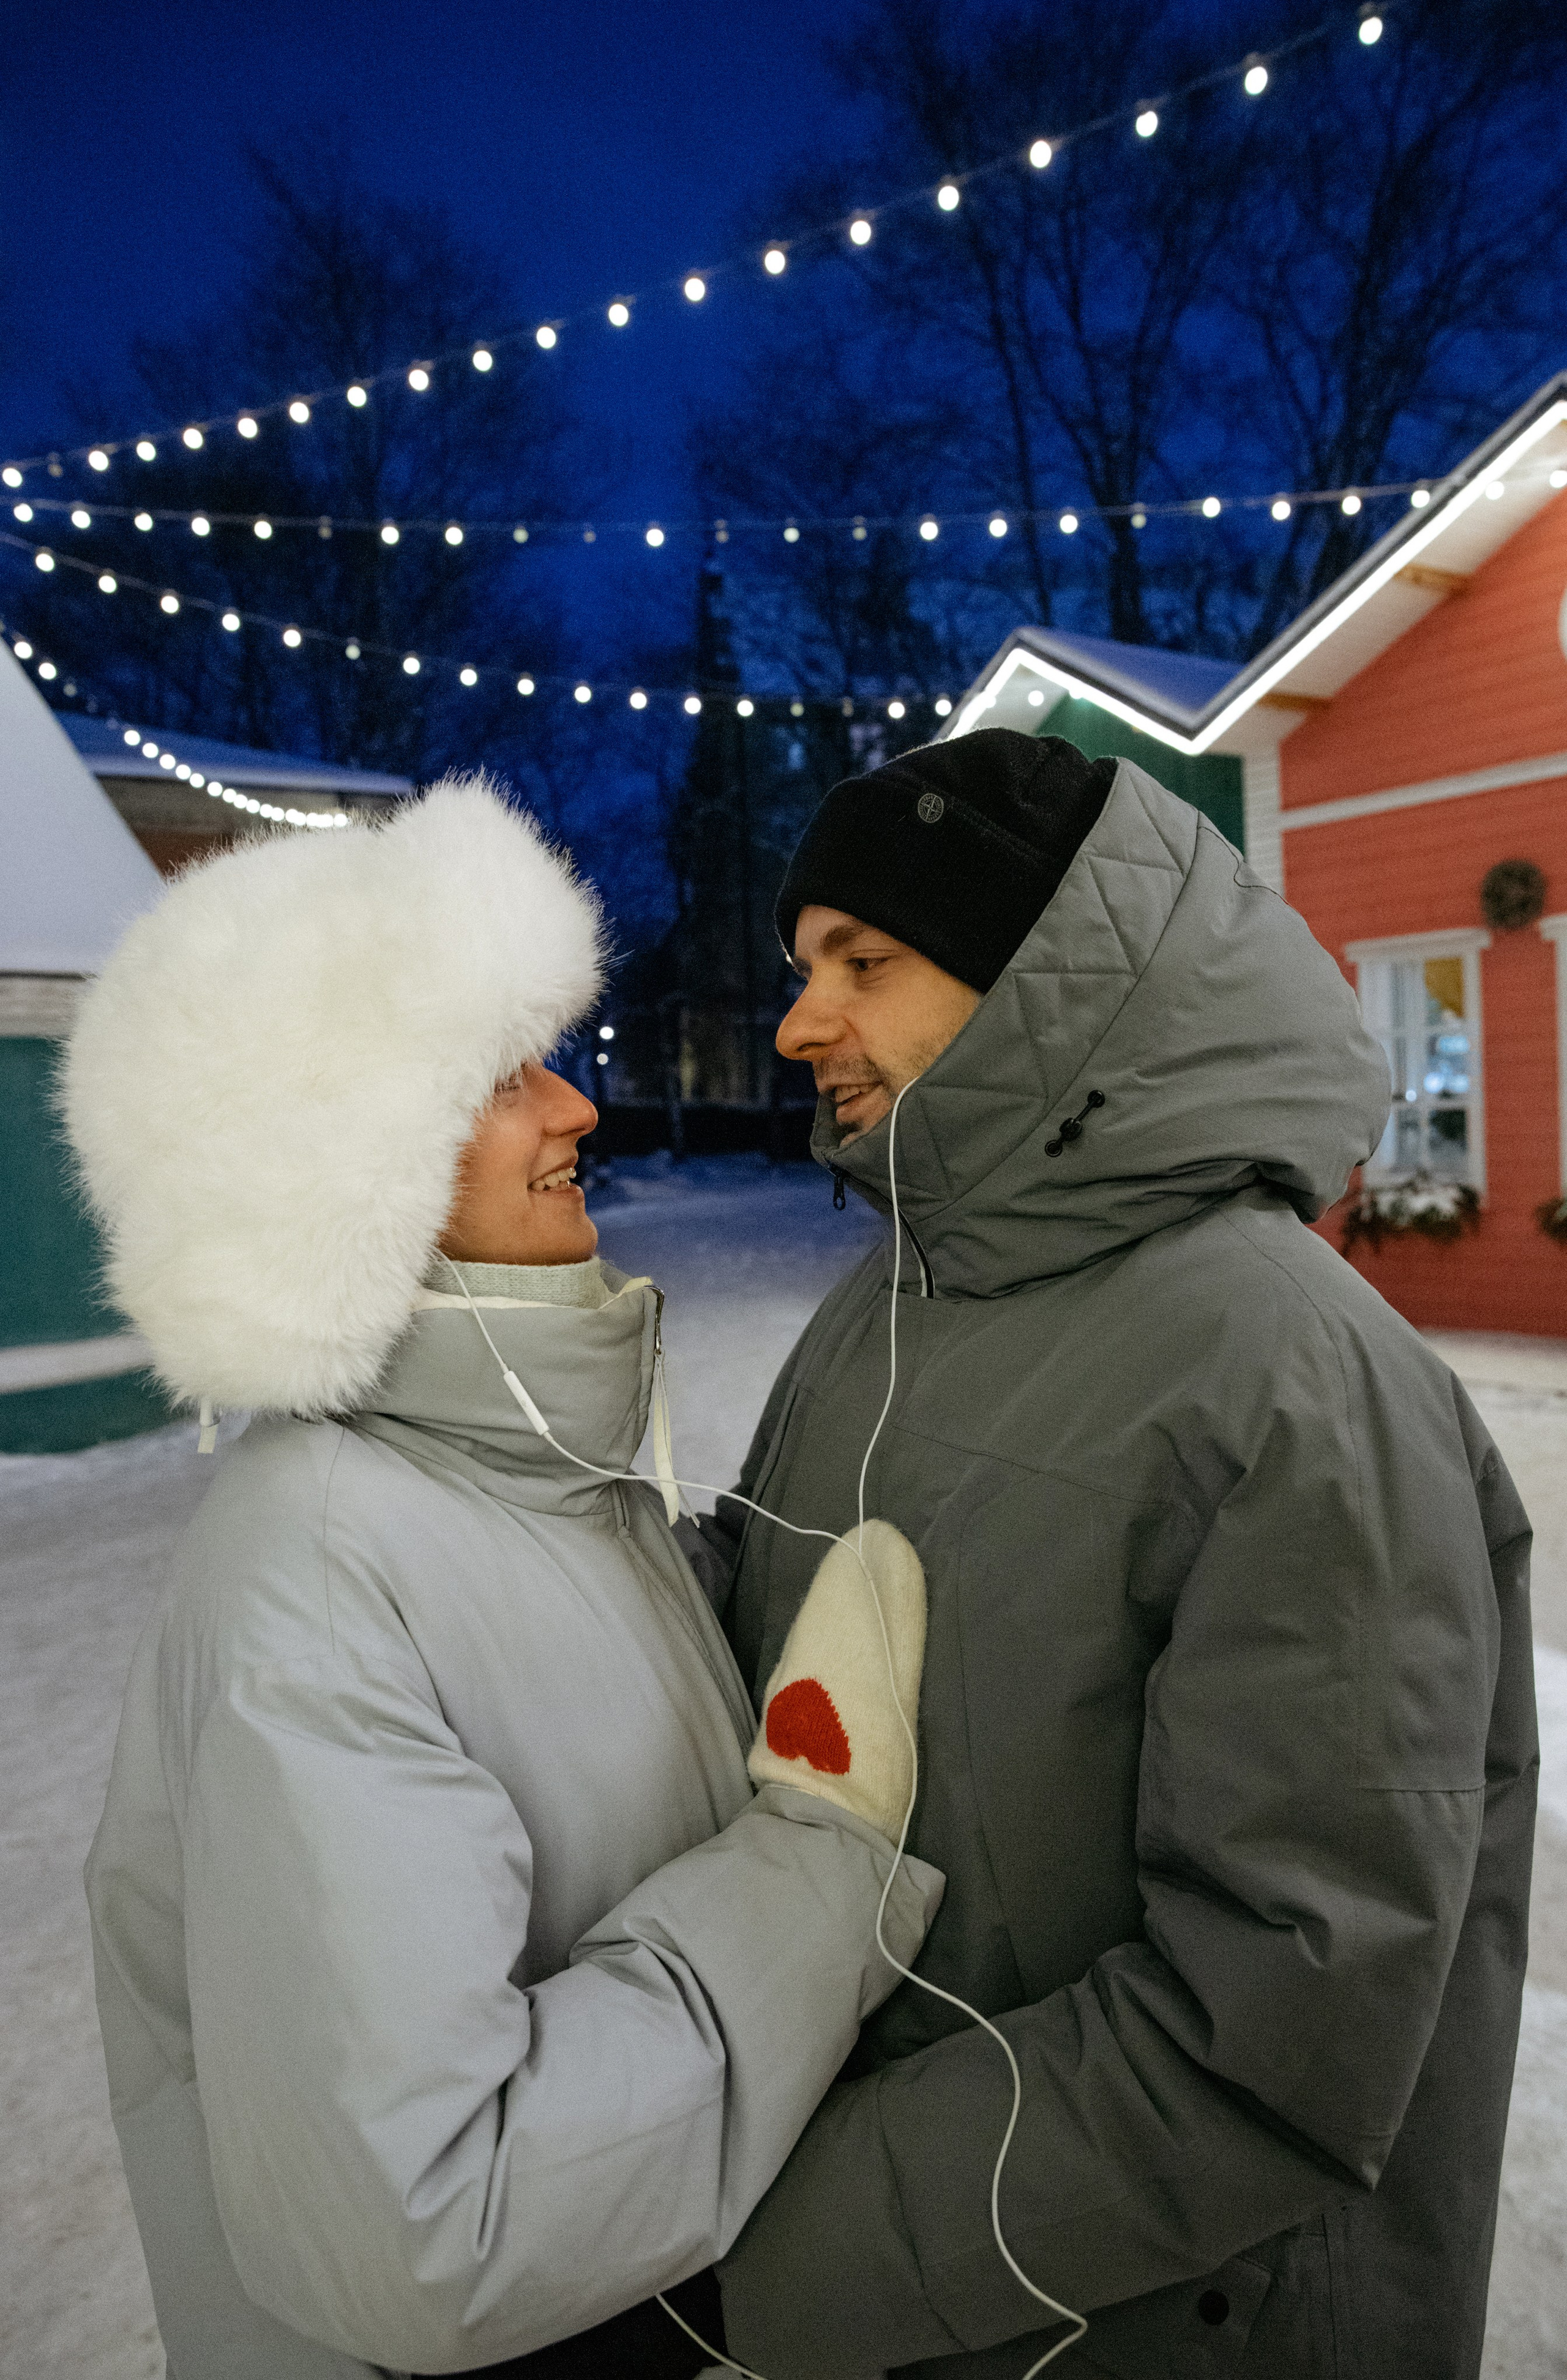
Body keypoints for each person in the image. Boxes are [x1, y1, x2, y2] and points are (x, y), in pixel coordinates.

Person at [67, 779, 941, 2380]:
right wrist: (821, 1864)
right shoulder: (318, 1576)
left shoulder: (522, 1477)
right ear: (337, 1171)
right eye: (498, 1079)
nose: (577, 1110)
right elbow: (437, 2225)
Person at [707, 730, 1537, 2380]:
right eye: (805, 968)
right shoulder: (890, 1306)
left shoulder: (1292, 1376)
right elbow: (765, 1637)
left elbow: (1273, 2033)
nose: (800, 1022)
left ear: (1049, 978)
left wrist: (747, 2268)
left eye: (862, 963)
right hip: (918, 2302)